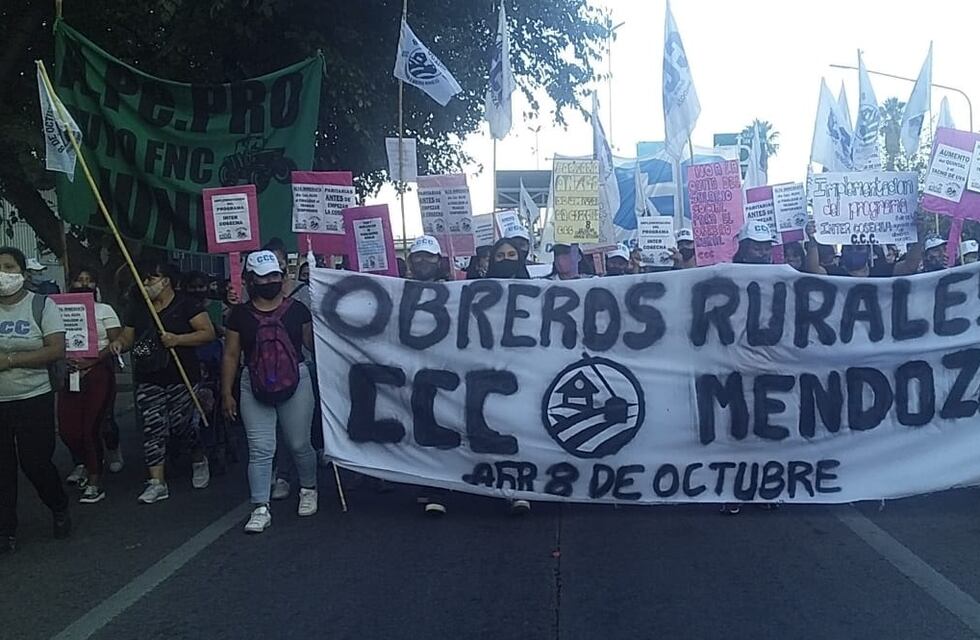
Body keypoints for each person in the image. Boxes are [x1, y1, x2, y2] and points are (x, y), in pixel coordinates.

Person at [222, 251, 318, 534]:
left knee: (299, 443)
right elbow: (230, 354)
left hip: (296, 380)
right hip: (253, 383)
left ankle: (308, 488)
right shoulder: (238, 316)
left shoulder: (299, 311)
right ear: (250, 280)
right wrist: (226, 392)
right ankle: (260, 506)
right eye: (262, 277)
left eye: (274, 275)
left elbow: (313, 345)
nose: (269, 281)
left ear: (282, 277)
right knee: (261, 448)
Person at [109, 259, 215, 504]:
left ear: (166, 281)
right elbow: (128, 336)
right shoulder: (138, 307)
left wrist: (178, 339)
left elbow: (207, 333)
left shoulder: (187, 305)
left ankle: (199, 457)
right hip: (148, 376)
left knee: (183, 426)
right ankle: (157, 482)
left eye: (151, 279)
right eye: (144, 279)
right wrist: (120, 344)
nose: (146, 283)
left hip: (181, 376)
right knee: (152, 428)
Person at [0, 246, 69, 553]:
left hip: (34, 397)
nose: (3, 275)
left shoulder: (41, 305)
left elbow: (56, 349)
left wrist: (12, 360)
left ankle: (58, 505)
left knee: (35, 462)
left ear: (22, 273)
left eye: (8, 267)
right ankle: (6, 531)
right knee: (2, 469)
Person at [58, 267, 123, 504]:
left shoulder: (104, 310)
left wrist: (93, 359)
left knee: (91, 429)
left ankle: (95, 481)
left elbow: (117, 340)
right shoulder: (58, 310)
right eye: (79, 279)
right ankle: (85, 462)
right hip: (69, 373)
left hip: (97, 371)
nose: (84, 283)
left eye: (89, 279)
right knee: (68, 430)